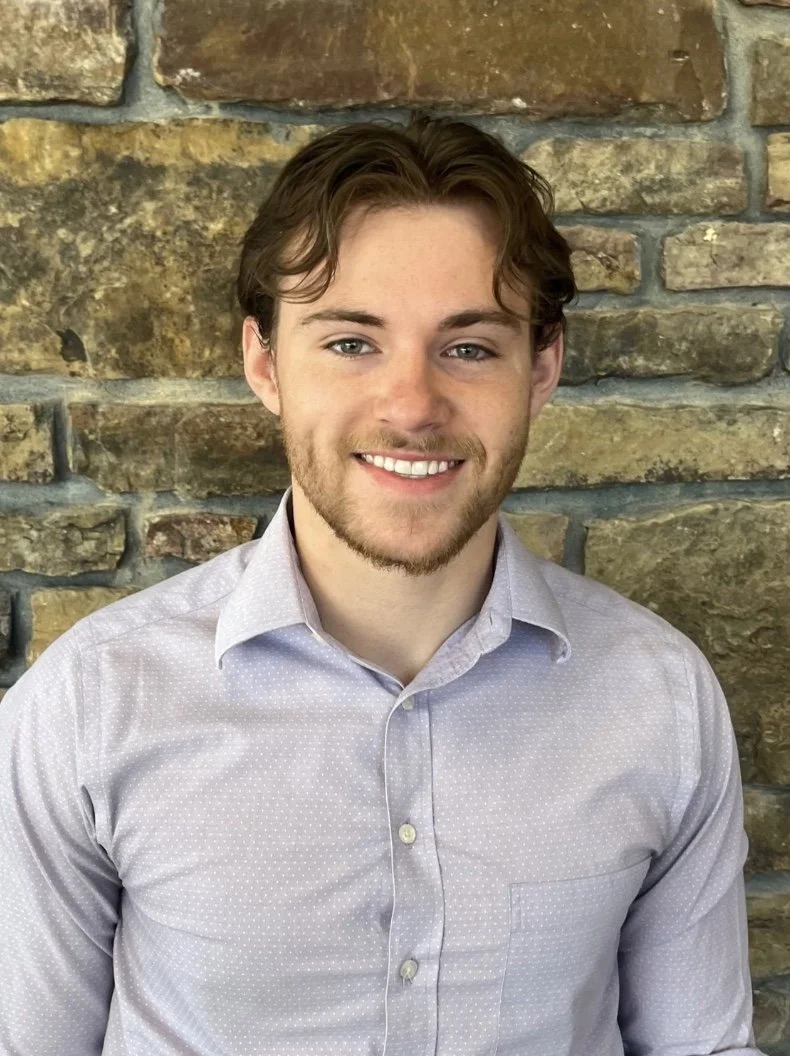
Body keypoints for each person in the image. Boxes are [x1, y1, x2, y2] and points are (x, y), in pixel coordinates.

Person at [0, 112, 761, 1055]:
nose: (411, 404)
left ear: (543, 367)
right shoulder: (89, 707)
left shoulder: (661, 700)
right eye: (351, 343)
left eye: (471, 346)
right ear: (264, 363)